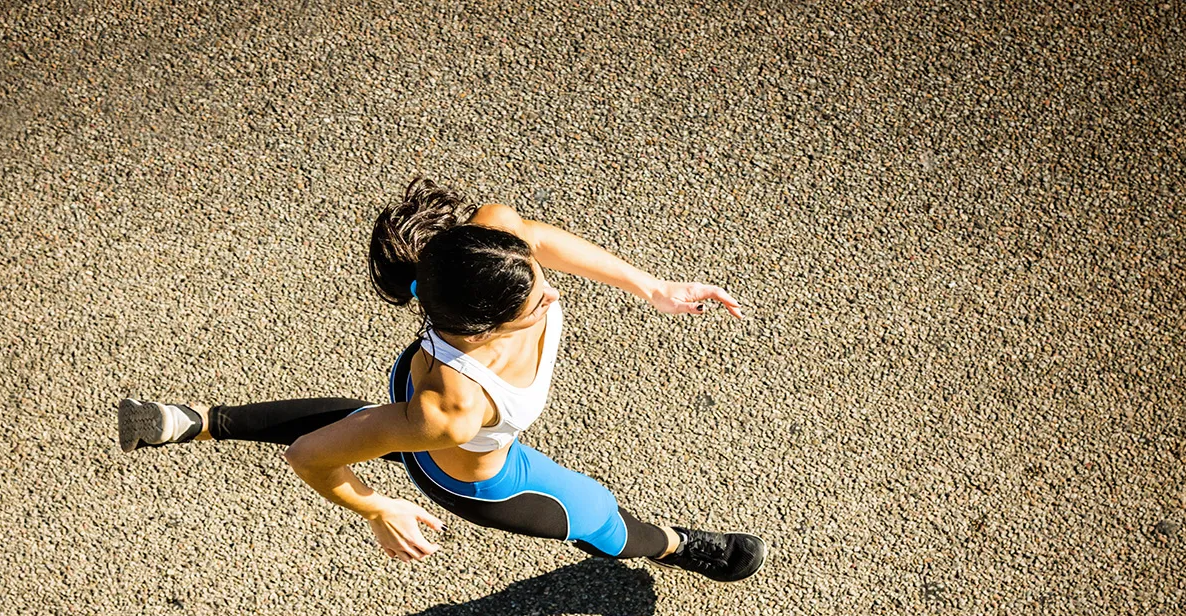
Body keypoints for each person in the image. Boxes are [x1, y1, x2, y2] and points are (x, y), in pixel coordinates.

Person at [118, 178, 767, 581]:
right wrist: (376, 507)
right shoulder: (449, 410)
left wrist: (650, 286)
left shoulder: (490, 241)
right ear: (481, 326)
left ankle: (188, 421)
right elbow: (310, 456)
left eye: (535, 279)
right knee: (598, 516)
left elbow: (532, 236)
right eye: (533, 303)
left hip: (425, 391)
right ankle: (676, 547)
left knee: (374, 422)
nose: (548, 296)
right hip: (469, 471)